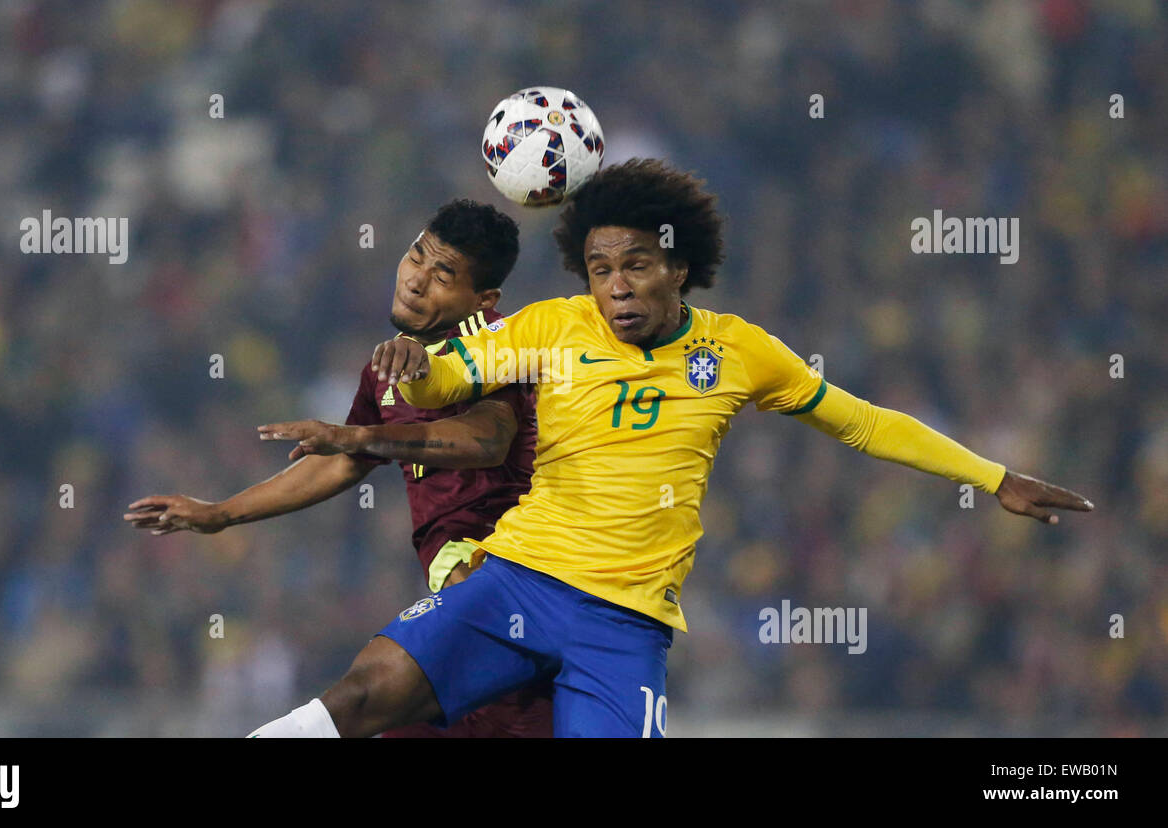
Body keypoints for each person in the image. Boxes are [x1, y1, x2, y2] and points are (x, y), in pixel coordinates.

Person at [249, 158, 1093, 738]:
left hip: (627, 627)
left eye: (637, 264)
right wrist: (412, 364)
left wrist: (991, 476)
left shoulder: (737, 352)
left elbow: (863, 421)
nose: (615, 285)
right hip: (519, 580)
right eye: (598, 267)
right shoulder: (551, 329)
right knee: (361, 697)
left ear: (678, 269)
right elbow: (441, 384)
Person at [124, 199, 551, 737]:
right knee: (365, 707)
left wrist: (362, 436)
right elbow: (345, 462)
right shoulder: (388, 367)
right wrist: (221, 513)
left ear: (483, 298)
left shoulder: (499, 349)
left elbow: (486, 440)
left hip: (509, 592)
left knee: (360, 698)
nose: (416, 280)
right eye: (417, 255)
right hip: (464, 609)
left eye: (442, 275)